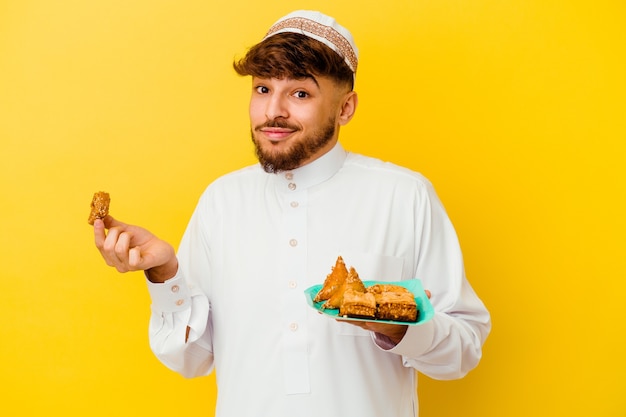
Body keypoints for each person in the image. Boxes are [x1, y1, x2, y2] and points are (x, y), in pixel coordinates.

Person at [93, 10, 491, 417]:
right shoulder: (222, 201)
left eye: (300, 93)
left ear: (345, 108)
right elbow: (191, 359)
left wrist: (396, 326)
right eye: (263, 89)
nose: (273, 112)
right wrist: (165, 274)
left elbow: (463, 351)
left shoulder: (405, 196)